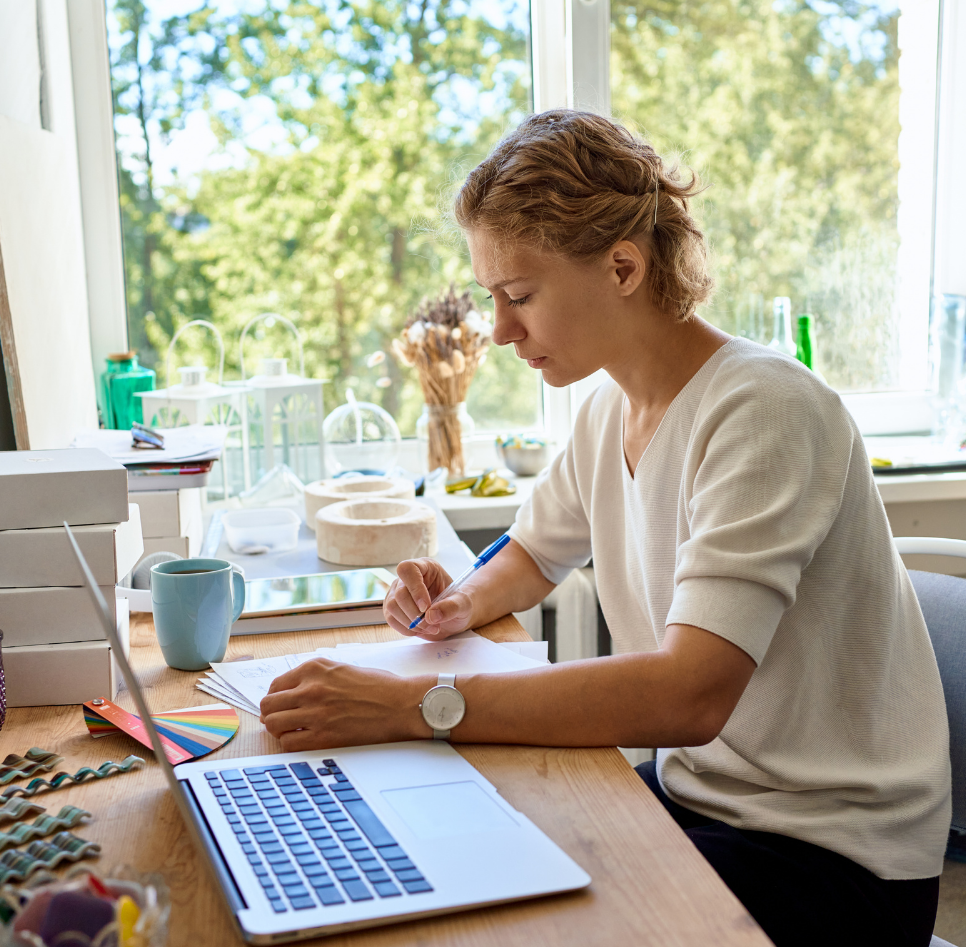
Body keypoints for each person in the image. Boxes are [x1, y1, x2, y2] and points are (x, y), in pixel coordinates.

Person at [260, 110, 951, 947]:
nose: (504, 330)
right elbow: (530, 553)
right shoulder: (605, 408)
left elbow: (690, 693)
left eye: (519, 297)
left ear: (623, 266)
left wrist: (418, 705)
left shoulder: (764, 407)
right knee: (466, 867)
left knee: (505, 921)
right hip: (704, 803)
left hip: (833, 859)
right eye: (492, 300)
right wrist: (458, 603)